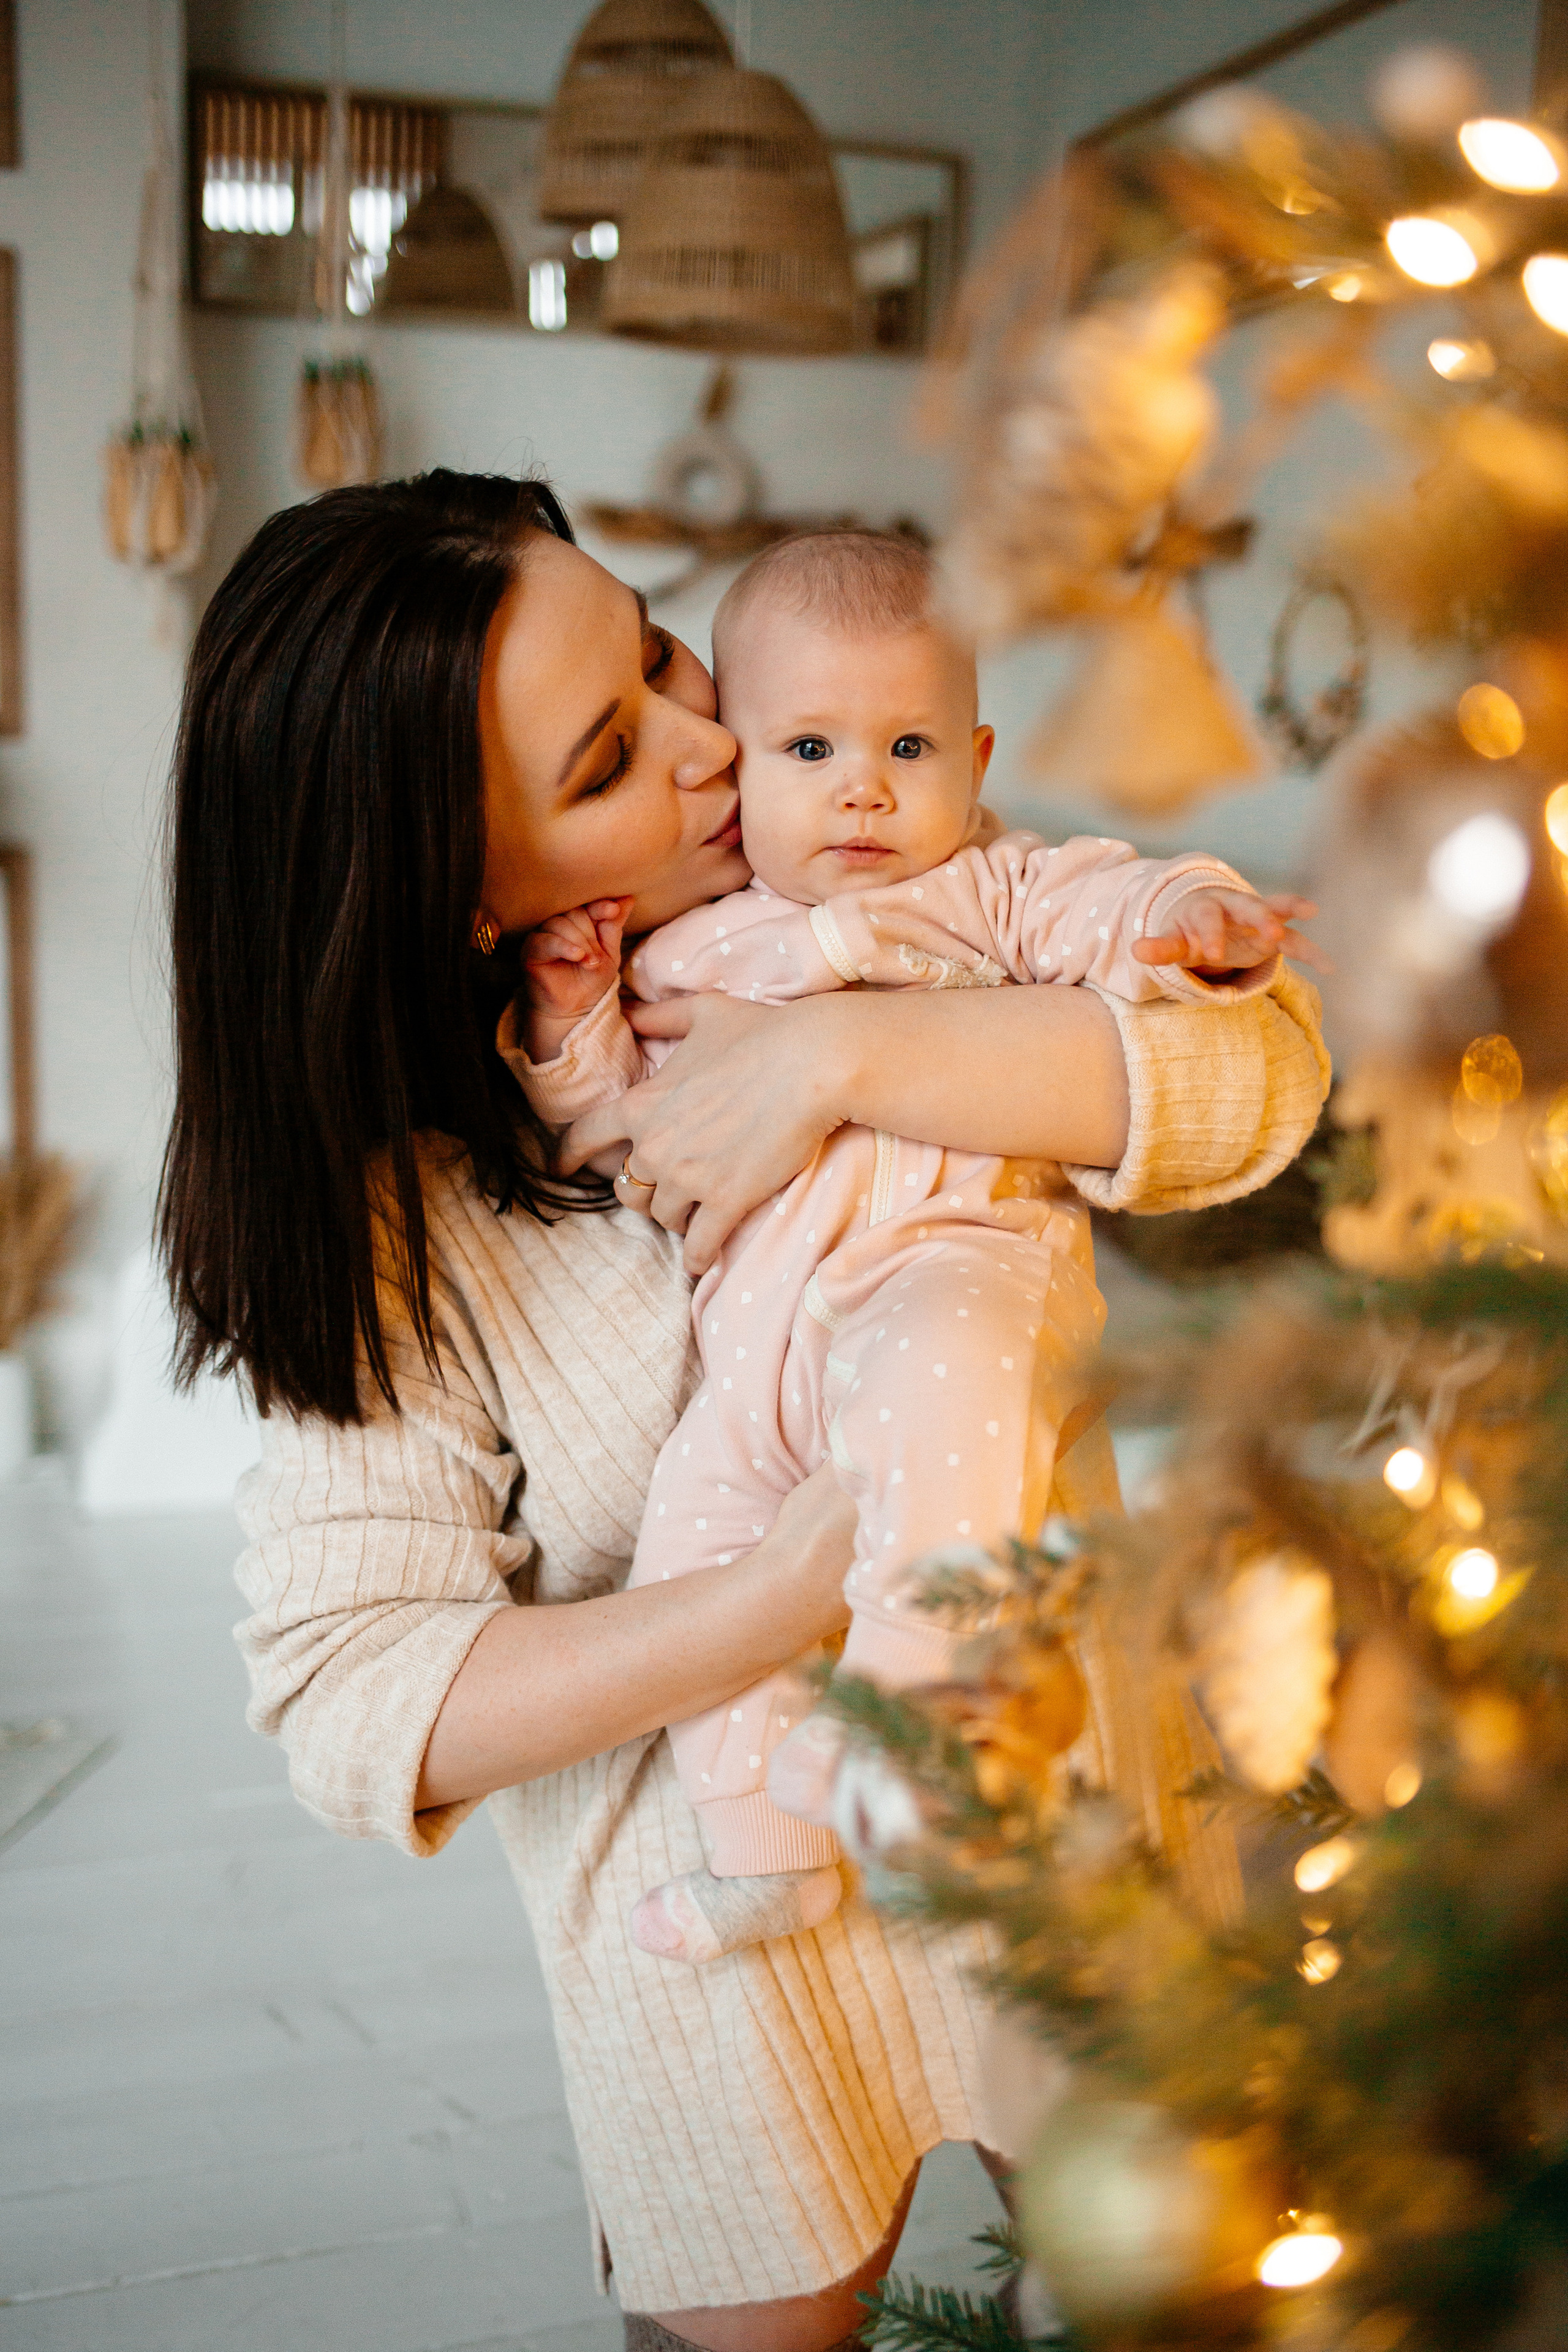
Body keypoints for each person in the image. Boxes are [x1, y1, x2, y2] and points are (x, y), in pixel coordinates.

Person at [159, 470, 1329, 2352]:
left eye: (656, 651)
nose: (715, 744)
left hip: (1062, 1827)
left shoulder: (903, 902)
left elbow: (1255, 1073)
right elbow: (357, 1696)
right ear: (469, 885)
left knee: (1189, 2297)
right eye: (611, 756)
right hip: (717, 1965)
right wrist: (776, 1603)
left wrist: (845, 1052)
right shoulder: (404, 1212)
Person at [511, 530, 1321, 1968]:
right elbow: (609, 1129)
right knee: (688, 1558)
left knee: (949, 1424)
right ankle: (762, 1855)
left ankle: (904, 1729)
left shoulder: (981, 885)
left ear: (974, 756)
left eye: (907, 746)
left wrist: (1186, 919)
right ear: (743, 762)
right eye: (809, 748)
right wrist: (572, 1024)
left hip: (955, 1273)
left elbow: (1103, 902)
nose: (864, 789)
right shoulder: (680, 954)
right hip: (757, 1368)